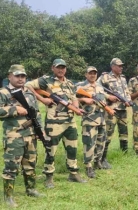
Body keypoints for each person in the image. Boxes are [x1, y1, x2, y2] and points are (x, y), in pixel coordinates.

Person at [25, 58, 86, 188]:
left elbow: (74, 98)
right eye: (58, 67)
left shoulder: (70, 83)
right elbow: (27, 85)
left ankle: (73, 173)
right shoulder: (46, 80)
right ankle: (49, 176)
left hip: (70, 122)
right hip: (54, 122)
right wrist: (42, 99)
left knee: (72, 148)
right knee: (51, 150)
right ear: (53, 68)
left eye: (63, 67)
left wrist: (76, 108)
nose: (61, 69)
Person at [0, 65, 44, 207]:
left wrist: (40, 130)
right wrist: (14, 109)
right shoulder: (4, 92)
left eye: (23, 76)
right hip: (14, 136)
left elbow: (36, 113)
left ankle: (31, 189)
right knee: (11, 167)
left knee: (30, 164)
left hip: (30, 135)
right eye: (17, 76)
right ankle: (8, 197)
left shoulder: (29, 93)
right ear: (10, 76)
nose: (20, 79)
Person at [76, 66, 111, 178]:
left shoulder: (100, 87)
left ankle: (97, 161)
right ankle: (88, 166)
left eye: (94, 73)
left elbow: (103, 101)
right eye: (90, 73)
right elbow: (70, 98)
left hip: (101, 119)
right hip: (89, 119)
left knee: (101, 142)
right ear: (86, 74)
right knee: (89, 143)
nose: (92, 75)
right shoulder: (80, 86)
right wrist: (83, 99)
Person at [97, 58, 131, 169]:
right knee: (108, 134)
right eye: (119, 66)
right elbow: (97, 89)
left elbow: (126, 91)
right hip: (111, 110)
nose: (121, 67)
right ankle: (102, 159)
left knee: (124, 133)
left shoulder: (123, 78)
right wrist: (108, 97)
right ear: (112, 66)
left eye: (122, 66)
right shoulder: (105, 77)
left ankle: (124, 154)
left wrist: (128, 100)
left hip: (122, 110)